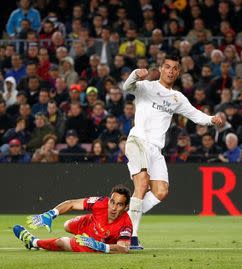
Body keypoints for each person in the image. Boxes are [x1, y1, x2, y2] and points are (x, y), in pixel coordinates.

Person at [122, 54, 223, 249]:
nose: (170, 71)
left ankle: (124, 217)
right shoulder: (147, 87)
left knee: (161, 192)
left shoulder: (177, 98)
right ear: (160, 69)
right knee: (142, 185)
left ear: (178, 72)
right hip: (138, 141)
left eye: (174, 68)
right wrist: (136, 74)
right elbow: (127, 87)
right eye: (167, 67)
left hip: (155, 149)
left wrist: (212, 119)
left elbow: (195, 115)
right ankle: (130, 236)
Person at [13, 185, 132, 254]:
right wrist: (51, 214)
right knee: (67, 225)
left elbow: (124, 248)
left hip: (96, 242)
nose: (113, 208)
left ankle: (33, 242)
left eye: (119, 204)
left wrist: (101, 246)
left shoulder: (126, 224)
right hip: (90, 222)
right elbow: (71, 203)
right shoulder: (100, 202)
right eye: (112, 202)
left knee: (62, 242)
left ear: (126, 207)